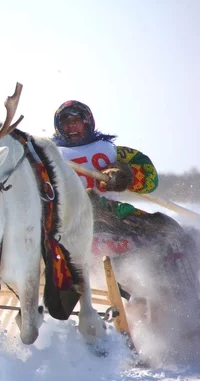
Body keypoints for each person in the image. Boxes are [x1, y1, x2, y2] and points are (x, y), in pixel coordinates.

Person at [53, 100, 197, 299]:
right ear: (58, 128)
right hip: (72, 223)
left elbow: (150, 178)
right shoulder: (50, 157)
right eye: (66, 123)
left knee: (171, 231)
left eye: (76, 120)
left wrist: (126, 174)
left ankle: (187, 299)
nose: (71, 127)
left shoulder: (111, 151)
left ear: (88, 122)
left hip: (117, 214)